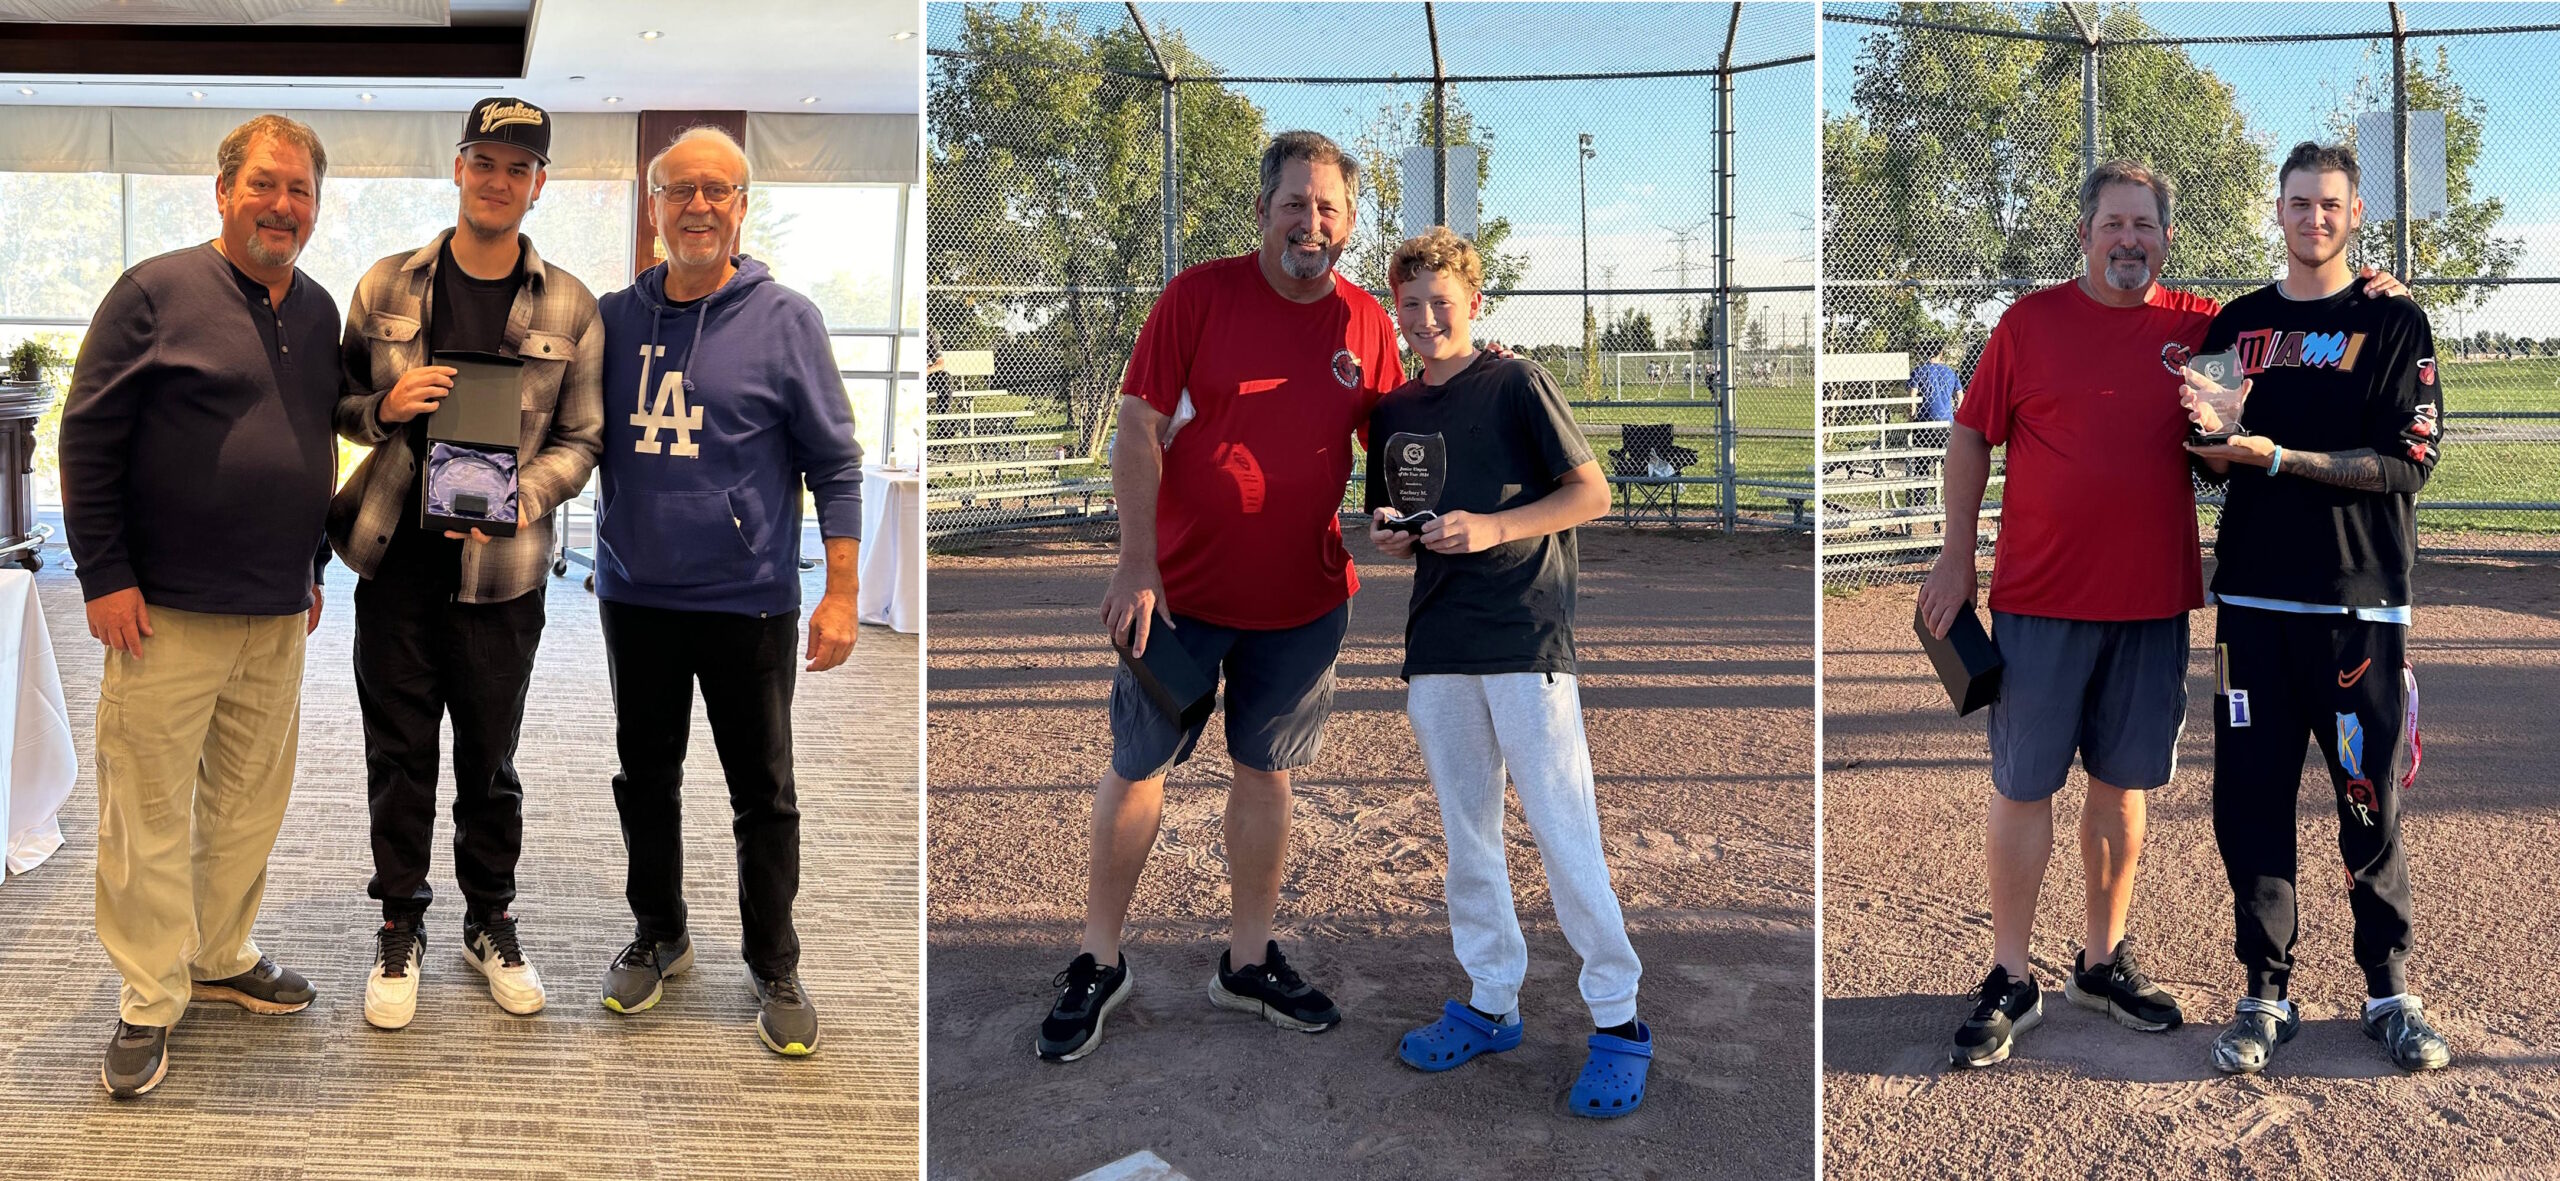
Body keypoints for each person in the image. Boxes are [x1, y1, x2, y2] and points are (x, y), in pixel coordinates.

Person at [1918, 160, 2411, 1069]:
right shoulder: (2028, 323)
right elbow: (1971, 433)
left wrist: (2379, 286)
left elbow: (2253, 396)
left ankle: (2101, 963)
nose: (2130, 241)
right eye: (2114, 224)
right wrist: (1956, 555)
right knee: (2024, 785)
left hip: (2152, 605)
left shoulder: (2203, 328)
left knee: (2124, 787)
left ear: (2165, 238)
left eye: (2145, 226)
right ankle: (2009, 973)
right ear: (2085, 233)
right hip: (2039, 598)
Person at [1033, 130, 1401, 1063]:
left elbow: (1403, 434)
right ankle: (1099, 957)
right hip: (1179, 596)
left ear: (1349, 225)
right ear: (1261, 212)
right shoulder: (1197, 297)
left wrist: (1475, 375)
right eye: (1293, 204)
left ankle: (1245, 962)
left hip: (1305, 600)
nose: (1309, 222)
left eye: (1327, 208)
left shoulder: (1365, 325)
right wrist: (1135, 561)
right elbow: (1138, 429)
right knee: (1139, 764)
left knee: (1266, 773)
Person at [61, 114, 337, 1098]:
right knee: (145, 807)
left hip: (274, 610)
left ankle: (220, 951)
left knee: (246, 798)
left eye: (300, 189)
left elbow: (308, 439)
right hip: (161, 610)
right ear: (224, 191)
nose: (282, 205)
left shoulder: (316, 311)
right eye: (265, 183)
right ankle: (146, 993)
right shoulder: (153, 293)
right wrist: (103, 572)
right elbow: (88, 439)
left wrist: (309, 559)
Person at [329, 97, 604, 1030]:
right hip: (396, 564)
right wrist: (389, 404)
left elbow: (584, 438)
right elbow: (341, 405)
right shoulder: (385, 285)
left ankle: (490, 919)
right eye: (484, 161)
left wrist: (524, 495)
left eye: (518, 166)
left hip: (505, 575)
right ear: (458, 168)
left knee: (490, 762)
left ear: (538, 182)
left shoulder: (570, 303)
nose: (498, 179)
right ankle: (400, 922)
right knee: (398, 755)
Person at [1361, 228, 1648, 1118]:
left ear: (1474, 300)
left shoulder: (1517, 381)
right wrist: (1384, 530)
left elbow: (1591, 493)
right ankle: (1492, 1001)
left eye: (1440, 299)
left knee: (1565, 833)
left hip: (1524, 636)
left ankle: (1620, 1020)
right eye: (1408, 303)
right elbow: (1397, 508)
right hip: (1440, 642)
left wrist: (1492, 527)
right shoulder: (1395, 408)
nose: (1423, 316)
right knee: (1468, 835)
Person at [592, 125, 863, 1057]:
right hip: (634, 595)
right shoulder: (613, 319)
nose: (698, 206)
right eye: (680, 191)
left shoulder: (787, 319)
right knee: (646, 779)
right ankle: (659, 932)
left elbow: (836, 463)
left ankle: (775, 959)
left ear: (741, 207)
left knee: (764, 790)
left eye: (718, 190)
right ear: (654, 205)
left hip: (749, 599)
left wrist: (841, 591)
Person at [2181, 141, 2452, 1076]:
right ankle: (2266, 993)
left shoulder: (2394, 320)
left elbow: (2407, 465)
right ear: (2280, 210)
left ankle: (2389, 990)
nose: (2313, 218)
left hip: (2358, 608)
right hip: (2250, 609)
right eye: (2299, 203)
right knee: (2248, 800)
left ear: (2354, 212)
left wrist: (2280, 457)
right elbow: (2201, 449)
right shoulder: (2242, 321)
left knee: (2366, 797)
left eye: (2330, 204)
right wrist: (2210, 438)